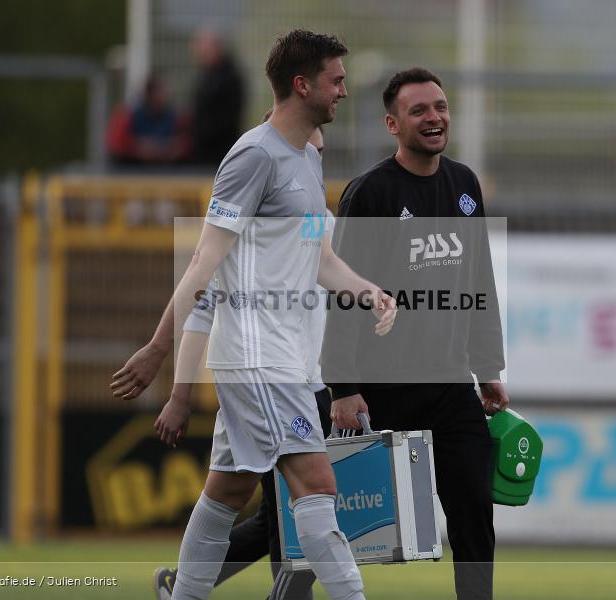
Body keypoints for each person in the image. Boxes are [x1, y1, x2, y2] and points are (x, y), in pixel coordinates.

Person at [111, 30, 396, 600]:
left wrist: (370, 292)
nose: (343, 90)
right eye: (335, 80)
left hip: (283, 357)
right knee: (317, 485)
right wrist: (158, 348)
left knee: (229, 490)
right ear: (302, 84)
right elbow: (202, 261)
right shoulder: (253, 156)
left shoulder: (307, 159)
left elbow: (321, 259)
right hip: (259, 358)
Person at [322, 67, 510, 600]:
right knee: (327, 518)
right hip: (380, 388)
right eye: (419, 111)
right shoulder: (372, 192)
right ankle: (272, 587)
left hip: (450, 385)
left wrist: (488, 369)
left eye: (441, 107)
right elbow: (344, 293)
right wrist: (342, 385)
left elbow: (479, 282)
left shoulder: (465, 184)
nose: (434, 118)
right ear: (392, 123)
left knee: (474, 512)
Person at [151, 122, 331, 600]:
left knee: (257, 505)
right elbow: (201, 307)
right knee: (304, 503)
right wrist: (179, 392)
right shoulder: (241, 243)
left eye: (316, 159)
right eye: (305, 154)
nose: (311, 166)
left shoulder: (316, 225)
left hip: (310, 385)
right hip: (269, 382)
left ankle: (184, 588)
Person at [188, 30, 246, 166]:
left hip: (219, 151)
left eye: (204, 50)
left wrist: (203, 132)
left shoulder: (229, 77)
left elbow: (229, 116)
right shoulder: (208, 75)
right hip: (205, 149)